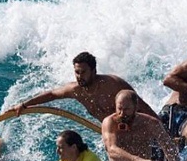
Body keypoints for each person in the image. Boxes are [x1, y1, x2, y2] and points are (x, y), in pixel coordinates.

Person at [13, 51, 158, 122]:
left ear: (94, 71)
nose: (79, 76)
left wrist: (162, 131)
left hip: (136, 127)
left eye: (83, 72)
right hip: (113, 133)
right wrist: (24, 104)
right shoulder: (75, 90)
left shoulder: (112, 84)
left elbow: (142, 106)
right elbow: (51, 94)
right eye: (77, 72)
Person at [101, 90, 182, 161]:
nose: (122, 114)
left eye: (126, 109)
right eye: (119, 109)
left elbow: (168, 147)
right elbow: (112, 150)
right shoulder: (109, 122)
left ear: (135, 107)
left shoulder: (150, 123)